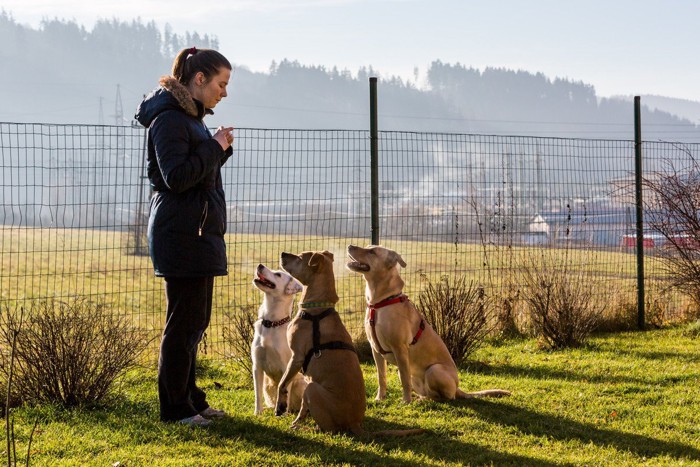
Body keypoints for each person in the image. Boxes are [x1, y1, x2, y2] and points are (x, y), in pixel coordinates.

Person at [134, 47, 234, 426]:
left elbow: (196, 175)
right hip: (181, 235)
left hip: (197, 232)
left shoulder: (192, 119)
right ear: (198, 80)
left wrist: (216, 150)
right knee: (183, 325)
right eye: (221, 84)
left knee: (194, 322)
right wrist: (214, 146)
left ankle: (191, 400)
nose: (223, 92)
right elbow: (176, 177)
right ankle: (175, 410)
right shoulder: (170, 121)